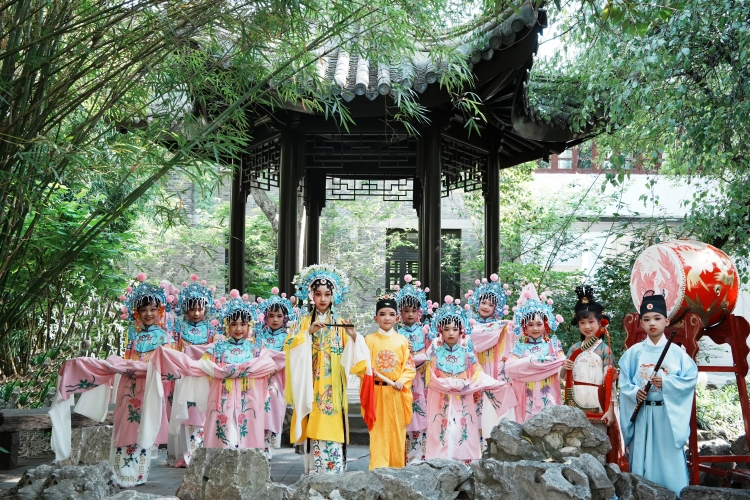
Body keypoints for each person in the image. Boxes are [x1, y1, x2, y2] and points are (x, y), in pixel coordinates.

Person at [50, 273, 174, 487]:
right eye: (143, 310)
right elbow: (129, 358)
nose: (148, 314)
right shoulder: (133, 334)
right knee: (124, 424)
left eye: (153, 309)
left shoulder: (164, 337)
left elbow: (163, 366)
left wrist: (135, 367)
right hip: (128, 383)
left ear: (160, 311)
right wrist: (124, 366)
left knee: (144, 425)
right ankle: (121, 472)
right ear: (136, 312)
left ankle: (137, 475)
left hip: (149, 386)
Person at [138, 289, 282, 453]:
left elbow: (267, 366)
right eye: (233, 324)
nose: (238, 328)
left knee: (246, 434)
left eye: (243, 324)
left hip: (248, 400)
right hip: (222, 400)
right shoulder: (217, 348)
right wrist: (169, 357)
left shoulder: (256, 349)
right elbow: (199, 366)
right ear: (226, 325)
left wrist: (229, 371)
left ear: (249, 325)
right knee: (224, 436)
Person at [284, 264, 370, 475]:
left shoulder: (340, 323)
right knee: (311, 422)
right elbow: (289, 348)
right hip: (310, 384)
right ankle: (312, 472)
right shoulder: (303, 322)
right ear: (311, 295)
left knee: (332, 425)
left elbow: (356, 358)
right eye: (318, 294)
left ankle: (334, 472)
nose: (323, 299)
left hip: (333, 389)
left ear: (334, 296)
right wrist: (308, 334)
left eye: (327, 294)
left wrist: (354, 337)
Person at [619, 291, 698, 495]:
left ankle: (674, 494)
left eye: (657, 318)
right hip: (643, 414)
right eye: (646, 319)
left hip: (667, 416)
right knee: (642, 460)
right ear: (641, 323)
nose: (652, 323)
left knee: (669, 458)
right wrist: (635, 392)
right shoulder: (633, 353)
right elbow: (624, 382)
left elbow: (690, 379)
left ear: (667, 321)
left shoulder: (678, 353)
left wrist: (666, 383)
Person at [424, 296, 516, 464]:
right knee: (441, 429)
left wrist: (498, 384)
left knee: (462, 428)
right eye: (446, 329)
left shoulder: (467, 352)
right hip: (440, 398)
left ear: (461, 331)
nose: (451, 333)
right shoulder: (434, 351)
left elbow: (477, 375)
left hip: (462, 398)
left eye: (455, 329)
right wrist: (452, 384)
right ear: (440, 330)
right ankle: (438, 463)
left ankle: (463, 463)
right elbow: (430, 378)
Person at [168, 274, 219, 467]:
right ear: (185, 309)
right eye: (192, 308)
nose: (196, 313)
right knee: (186, 415)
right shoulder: (178, 328)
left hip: (205, 377)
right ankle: (187, 454)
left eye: (200, 308)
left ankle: (201, 454)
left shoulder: (212, 330)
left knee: (203, 414)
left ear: (206, 308)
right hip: (185, 376)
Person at [364, 290, 416, 469]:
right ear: (375, 318)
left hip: (396, 392)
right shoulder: (369, 340)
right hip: (376, 393)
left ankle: (397, 469)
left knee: (397, 431)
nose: (387, 318)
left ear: (397, 318)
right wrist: (367, 371)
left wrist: (402, 380)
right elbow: (361, 365)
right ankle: (378, 469)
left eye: (391, 314)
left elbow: (409, 366)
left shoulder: (402, 341)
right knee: (378, 432)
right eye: (382, 314)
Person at [505, 283, 566, 423]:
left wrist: (528, 364)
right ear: (524, 327)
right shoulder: (519, 347)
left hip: (548, 392)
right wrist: (540, 363)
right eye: (530, 325)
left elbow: (562, 363)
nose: (535, 328)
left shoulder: (553, 345)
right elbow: (510, 368)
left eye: (539, 324)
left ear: (546, 325)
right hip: (526, 396)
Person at [560, 286, 616, 431]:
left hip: (597, 401)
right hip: (575, 399)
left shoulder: (605, 350)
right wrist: (564, 369)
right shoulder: (574, 349)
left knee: (598, 440)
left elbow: (611, 383)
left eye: (591, 322)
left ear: (600, 322)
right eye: (582, 323)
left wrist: (611, 409)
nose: (587, 326)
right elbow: (563, 378)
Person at [467, 273, 514, 444]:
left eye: (491, 304)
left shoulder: (503, 327)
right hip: (475, 371)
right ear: (477, 303)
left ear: (497, 307)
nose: (486, 306)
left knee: (492, 411)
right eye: (483, 302)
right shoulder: (469, 325)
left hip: (494, 374)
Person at [254, 287, 297, 459]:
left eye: (279, 316)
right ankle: (255, 446)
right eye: (271, 315)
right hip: (257, 379)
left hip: (277, 381)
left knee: (271, 409)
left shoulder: (289, 337)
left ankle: (268, 448)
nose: (275, 319)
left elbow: (286, 358)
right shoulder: (257, 335)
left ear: (285, 317)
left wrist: (266, 357)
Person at [393, 275, 431, 464]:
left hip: (422, 380)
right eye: (406, 310)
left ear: (419, 312)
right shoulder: (396, 333)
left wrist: (421, 357)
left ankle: (422, 456)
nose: (410, 314)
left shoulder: (425, 331)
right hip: (404, 380)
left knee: (423, 412)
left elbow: (431, 353)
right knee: (405, 415)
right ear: (399, 312)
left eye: (413, 311)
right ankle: (404, 457)